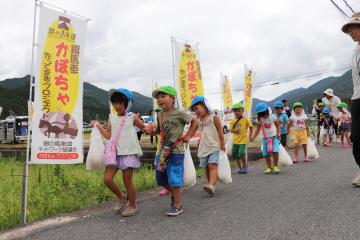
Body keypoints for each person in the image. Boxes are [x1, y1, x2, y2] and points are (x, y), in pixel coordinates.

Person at [91, 88, 144, 217]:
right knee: (107, 179)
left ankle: (133, 206)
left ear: (128, 103)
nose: (117, 106)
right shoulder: (112, 118)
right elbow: (109, 136)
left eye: (120, 103)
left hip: (128, 153)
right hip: (114, 153)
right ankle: (121, 197)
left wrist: (153, 129)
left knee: (127, 181)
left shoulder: (132, 116)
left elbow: (144, 128)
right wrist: (98, 126)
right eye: (115, 103)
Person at [147, 85, 198, 216]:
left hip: (176, 151)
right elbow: (158, 130)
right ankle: (176, 195)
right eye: (158, 97)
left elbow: (195, 122)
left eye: (163, 96)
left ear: (173, 98)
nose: (159, 99)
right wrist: (151, 130)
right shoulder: (160, 114)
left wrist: (188, 136)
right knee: (160, 179)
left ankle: (177, 205)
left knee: (175, 178)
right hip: (163, 152)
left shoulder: (179, 113)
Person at [189, 96, 225, 196]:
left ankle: (212, 186)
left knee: (212, 165)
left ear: (204, 105)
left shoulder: (214, 117)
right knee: (206, 167)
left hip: (214, 146)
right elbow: (193, 131)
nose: (196, 111)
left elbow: (220, 131)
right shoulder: (198, 120)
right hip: (203, 147)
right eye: (194, 110)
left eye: (197, 108)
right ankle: (210, 184)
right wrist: (186, 138)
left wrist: (222, 143)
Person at [342, 13, 360, 186]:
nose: (351, 33)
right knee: (355, 137)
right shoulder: (355, 51)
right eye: (349, 30)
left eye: (353, 28)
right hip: (357, 98)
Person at [250, 102, 281, 174]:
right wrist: (253, 137)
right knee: (265, 153)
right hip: (265, 138)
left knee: (275, 151)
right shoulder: (260, 119)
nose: (264, 114)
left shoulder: (272, 116)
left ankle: (275, 166)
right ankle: (269, 167)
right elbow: (257, 129)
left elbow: (278, 125)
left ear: (267, 110)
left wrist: (278, 133)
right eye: (261, 113)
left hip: (274, 137)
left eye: (264, 112)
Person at [230, 102, 253, 174]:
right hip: (235, 140)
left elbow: (251, 127)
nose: (237, 112)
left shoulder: (245, 119)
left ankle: (245, 165)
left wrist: (250, 135)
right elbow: (231, 130)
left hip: (243, 140)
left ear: (242, 111)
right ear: (233, 112)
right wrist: (235, 131)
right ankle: (240, 168)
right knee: (235, 154)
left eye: (239, 110)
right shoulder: (233, 120)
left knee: (241, 153)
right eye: (235, 111)